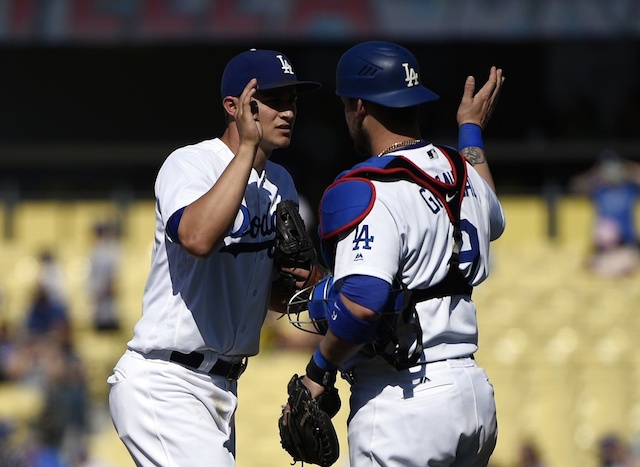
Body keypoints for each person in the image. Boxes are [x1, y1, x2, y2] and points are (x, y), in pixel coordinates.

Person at [285, 41, 505, 466]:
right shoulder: (458, 166)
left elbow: (364, 305)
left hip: (403, 402)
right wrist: (470, 129)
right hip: (472, 396)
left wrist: (317, 372)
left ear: (359, 106)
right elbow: (492, 214)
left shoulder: (364, 187)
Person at [107, 48, 320, 466]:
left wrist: (310, 281)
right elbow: (198, 238)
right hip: (166, 380)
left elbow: (273, 295)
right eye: (274, 99)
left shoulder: (281, 183)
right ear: (234, 106)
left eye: (293, 100)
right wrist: (247, 151)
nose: (288, 112)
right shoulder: (189, 164)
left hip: (223, 387)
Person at [570, 149, 640, 277]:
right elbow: (576, 186)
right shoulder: (599, 190)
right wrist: (594, 172)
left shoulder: (629, 189)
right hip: (603, 248)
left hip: (627, 244)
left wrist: (630, 167)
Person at [87, 221, 121, 331]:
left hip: (108, 298)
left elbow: (113, 273)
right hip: (99, 297)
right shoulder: (95, 250)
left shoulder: (111, 249)